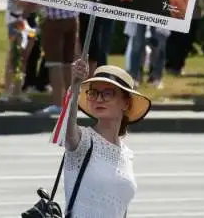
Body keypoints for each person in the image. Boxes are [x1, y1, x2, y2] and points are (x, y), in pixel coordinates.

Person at [65, 59, 151, 218]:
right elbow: (66, 129)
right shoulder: (82, 140)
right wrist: (76, 84)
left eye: (107, 93)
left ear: (126, 103)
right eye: (94, 92)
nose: (98, 99)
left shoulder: (127, 154)